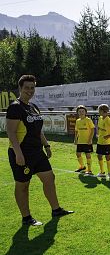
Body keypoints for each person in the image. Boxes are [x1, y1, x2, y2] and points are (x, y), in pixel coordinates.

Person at [6, 74, 73, 226]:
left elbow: (38, 130)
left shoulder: (33, 107)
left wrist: (47, 145)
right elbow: (11, 132)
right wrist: (18, 154)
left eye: (32, 87)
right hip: (22, 153)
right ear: (20, 88)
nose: (30, 90)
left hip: (37, 152)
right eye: (27, 88)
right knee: (23, 185)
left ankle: (56, 210)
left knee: (49, 178)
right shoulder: (15, 107)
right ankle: (26, 217)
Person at [96, 104, 110, 179]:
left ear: (102, 111)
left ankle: (109, 173)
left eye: (99, 110)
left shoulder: (108, 119)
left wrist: (109, 136)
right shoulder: (100, 118)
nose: (99, 112)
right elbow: (99, 127)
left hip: (107, 142)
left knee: (107, 157)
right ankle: (102, 172)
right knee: (99, 156)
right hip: (100, 141)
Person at [74, 105, 95, 175]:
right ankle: (82, 167)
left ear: (85, 112)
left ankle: (89, 170)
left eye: (83, 111)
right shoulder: (77, 121)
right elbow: (76, 131)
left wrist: (90, 140)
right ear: (77, 113)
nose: (81, 112)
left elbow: (92, 130)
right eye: (79, 111)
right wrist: (75, 139)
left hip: (87, 141)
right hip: (80, 141)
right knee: (78, 154)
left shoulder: (88, 120)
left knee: (87, 155)